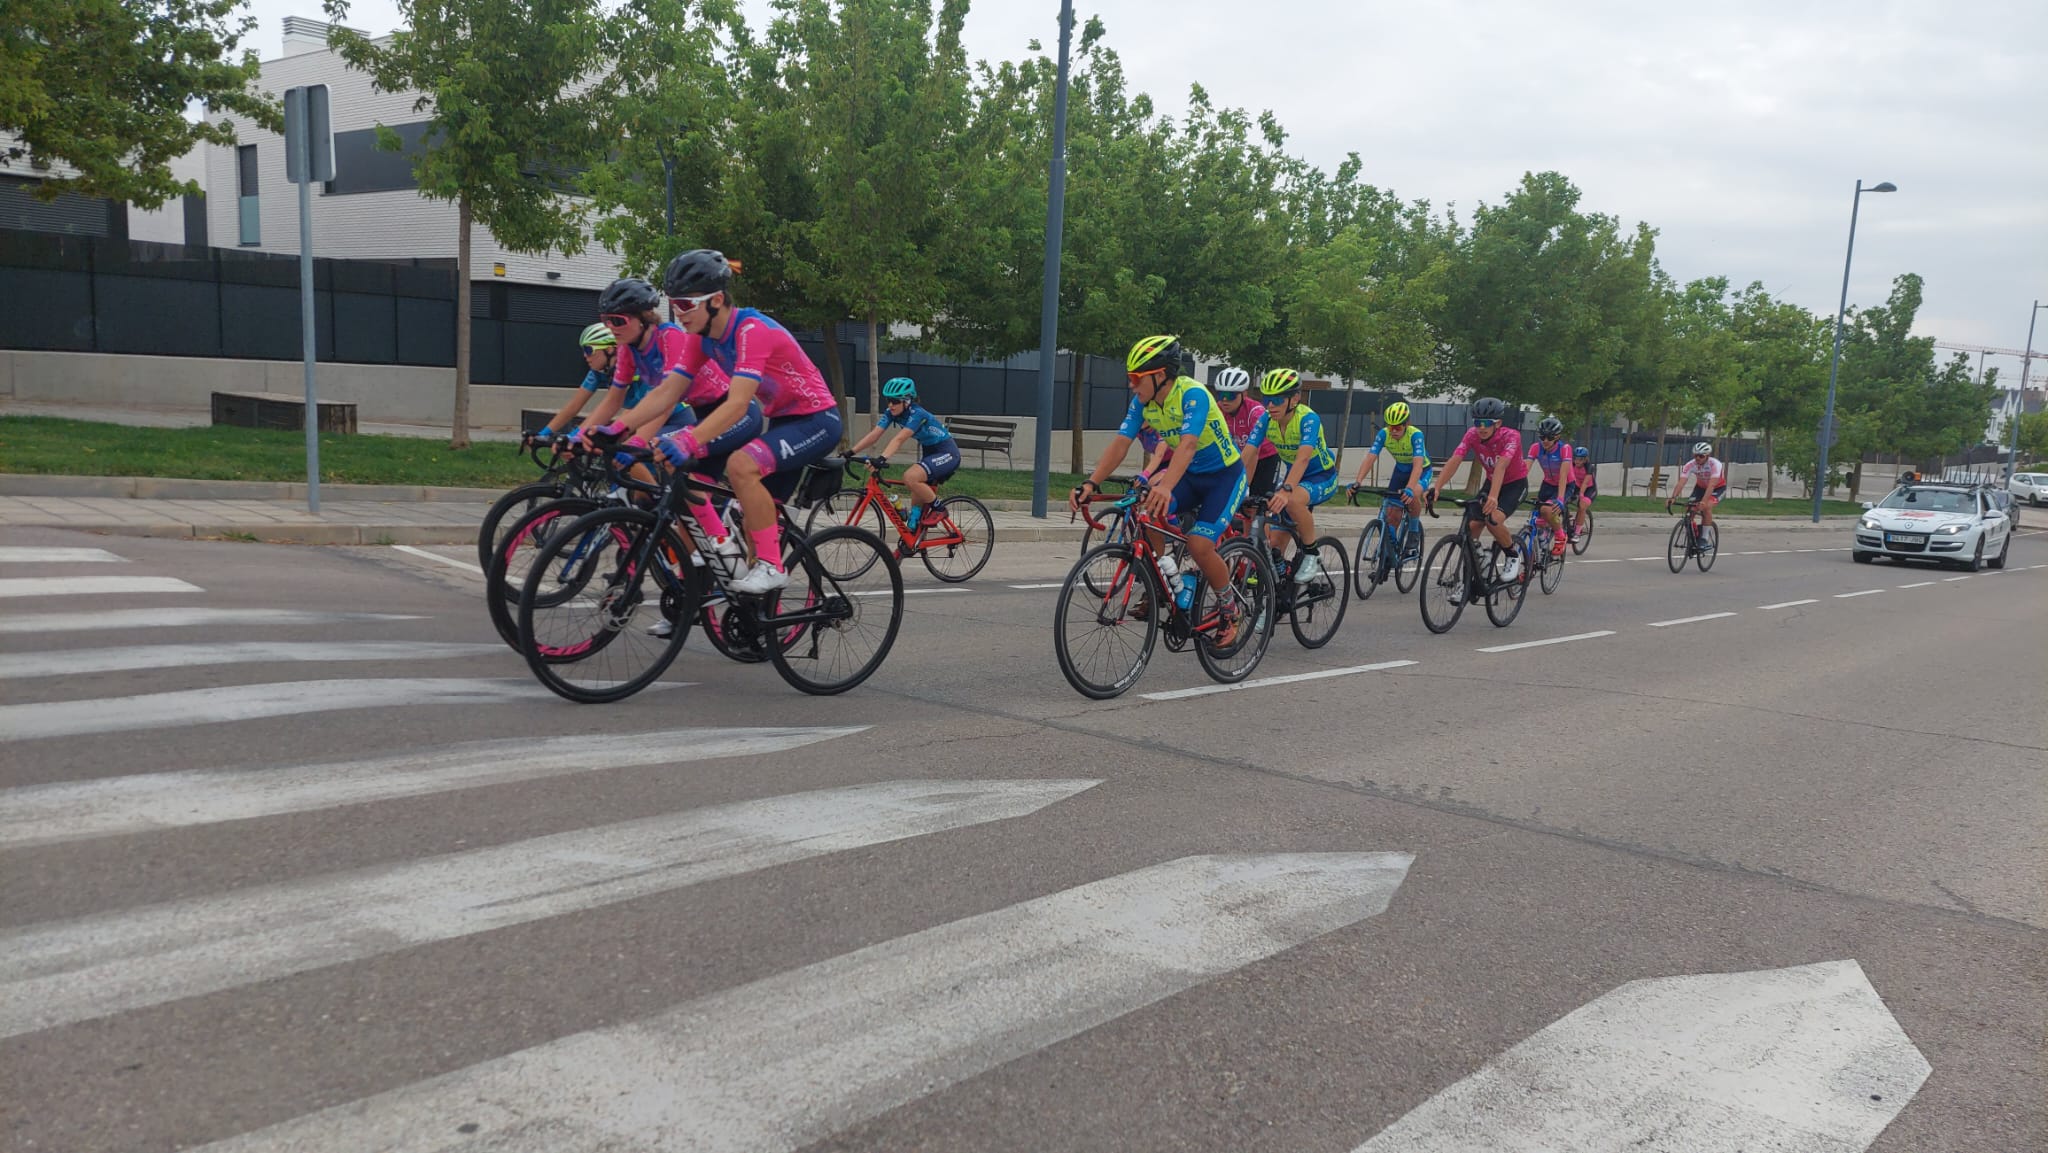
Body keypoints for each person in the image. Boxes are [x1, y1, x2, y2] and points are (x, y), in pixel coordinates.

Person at [613, 250, 842, 594]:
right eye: (674, 303)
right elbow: (668, 391)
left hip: (817, 420)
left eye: (686, 305)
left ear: (716, 300)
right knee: (750, 519)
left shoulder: (751, 329)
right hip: (781, 422)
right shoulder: (700, 339)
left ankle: (771, 567)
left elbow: (737, 404)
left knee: (741, 465)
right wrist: (619, 429)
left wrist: (688, 440)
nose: (677, 312)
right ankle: (762, 615)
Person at [1069, 336, 1245, 642]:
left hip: (1224, 476)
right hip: (1191, 474)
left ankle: (1230, 608)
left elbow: (1188, 444)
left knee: (1199, 545)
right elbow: (1121, 443)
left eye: (1136, 378)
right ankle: (1161, 584)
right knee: (1146, 513)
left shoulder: (1193, 394)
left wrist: (1165, 486)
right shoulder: (1143, 403)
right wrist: (1090, 482)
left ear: (1159, 374)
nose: (1131, 386)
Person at [1425, 397, 1529, 587]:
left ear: (1498, 423)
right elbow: (1456, 458)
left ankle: (1512, 555)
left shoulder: (1511, 436)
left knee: (1493, 520)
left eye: (1486, 423)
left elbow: (1501, 466)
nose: (1481, 427)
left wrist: (1493, 497)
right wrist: (1437, 487)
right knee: (1472, 527)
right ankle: (1474, 570)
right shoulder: (1472, 435)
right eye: (1477, 422)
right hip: (1491, 482)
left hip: (1514, 484)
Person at [1249, 368, 1339, 582]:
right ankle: (1277, 591)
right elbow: (1247, 453)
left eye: (1277, 400)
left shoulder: (1307, 418)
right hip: (1293, 476)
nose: (1270, 405)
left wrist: (1287, 490)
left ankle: (1311, 553)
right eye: (1267, 399)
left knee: (1293, 501)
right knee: (1274, 544)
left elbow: (1303, 459)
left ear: (1295, 398)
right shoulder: (1265, 419)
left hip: (1320, 475)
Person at [843, 377, 959, 535]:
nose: (890, 405)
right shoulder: (891, 413)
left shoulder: (917, 414)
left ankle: (939, 509)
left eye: (895, 401)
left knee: (910, 477)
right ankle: (912, 531)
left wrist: (882, 459)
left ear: (907, 401)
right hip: (930, 452)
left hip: (946, 452)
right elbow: (875, 434)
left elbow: (899, 439)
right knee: (916, 483)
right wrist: (850, 452)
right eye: (888, 400)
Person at [525, 323, 634, 445]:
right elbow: (574, 406)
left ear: (609, 349)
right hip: (634, 416)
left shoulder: (632, 368)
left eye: (589, 350)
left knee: (624, 454)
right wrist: (544, 434)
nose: (585, 356)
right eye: (583, 350)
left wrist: (575, 436)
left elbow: (631, 409)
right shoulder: (597, 372)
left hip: (650, 417)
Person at [1347, 401, 1433, 536]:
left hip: (1422, 470)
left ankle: (1413, 532)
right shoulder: (1383, 434)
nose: (1393, 431)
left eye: (1397, 428)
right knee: (1391, 513)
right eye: (1390, 427)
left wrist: (1410, 488)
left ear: (1407, 424)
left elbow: (1418, 466)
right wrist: (1358, 481)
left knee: (1413, 495)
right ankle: (1389, 547)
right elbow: (1370, 457)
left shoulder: (1416, 435)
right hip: (1401, 470)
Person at [1211, 367, 1277, 498]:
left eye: (1230, 395)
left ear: (1244, 394)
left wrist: (1245, 485)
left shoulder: (1256, 412)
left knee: (1256, 502)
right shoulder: (1216, 409)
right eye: (1221, 395)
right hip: (1238, 457)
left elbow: (1254, 453)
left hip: (1265, 457)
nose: (1224, 400)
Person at [1524, 416, 1575, 558]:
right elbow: (1524, 470)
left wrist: (1560, 499)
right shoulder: (1535, 447)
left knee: (1548, 510)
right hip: (1547, 484)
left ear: (1557, 437)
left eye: (1549, 437)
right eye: (1542, 437)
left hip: (1566, 484)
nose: (1545, 441)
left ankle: (1560, 536)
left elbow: (1564, 475)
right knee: (1537, 519)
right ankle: (1536, 559)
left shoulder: (1564, 448)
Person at [1667, 441, 1727, 530]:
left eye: (1701, 456)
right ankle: (1692, 532)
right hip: (1700, 488)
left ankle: (1704, 538)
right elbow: (1681, 482)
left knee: (1706, 507)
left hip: (1717, 489)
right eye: (1695, 455)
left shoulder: (1715, 464)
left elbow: (1712, 485)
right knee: (1690, 508)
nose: (1698, 458)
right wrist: (1673, 497)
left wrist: (1703, 502)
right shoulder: (1690, 464)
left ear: (1707, 456)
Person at [1568, 446, 1596, 542]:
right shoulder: (1571, 464)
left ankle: (1577, 533)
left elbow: (1585, 483)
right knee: (1562, 500)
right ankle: (1567, 518)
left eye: (1580, 460)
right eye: (1575, 459)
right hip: (1576, 486)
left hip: (1589, 489)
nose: (1577, 461)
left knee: (1582, 506)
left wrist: (1581, 494)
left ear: (1585, 459)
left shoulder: (1589, 467)